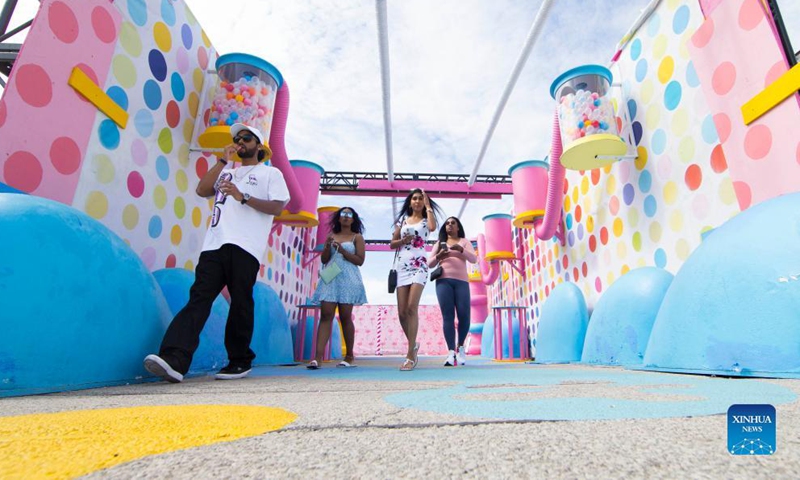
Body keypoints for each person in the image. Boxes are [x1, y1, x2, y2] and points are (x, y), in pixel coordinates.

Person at [144, 123, 290, 382]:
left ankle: (239, 360)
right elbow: (202, 190)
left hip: (245, 246)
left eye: (246, 138)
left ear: (259, 145)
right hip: (214, 245)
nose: (240, 142)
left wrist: (242, 197)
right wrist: (224, 160)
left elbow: (277, 207)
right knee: (198, 298)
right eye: (237, 138)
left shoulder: (271, 174)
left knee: (240, 302)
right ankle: (174, 359)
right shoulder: (227, 174)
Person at [306, 207, 367, 369]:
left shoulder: (357, 237)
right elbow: (325, 260)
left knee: (346, 316)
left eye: (349, 215)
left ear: (353, 219)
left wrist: (343, 251)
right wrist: (327, 247)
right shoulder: (331, 236)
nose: (346, 217)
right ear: (338, 219)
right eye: (343, 214)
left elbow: (360, 260)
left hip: (348, 278)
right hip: (331, 276)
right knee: (326, 314)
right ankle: (317, 358)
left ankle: (349, 356)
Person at [390, 188, 442, 371]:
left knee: (412, 307)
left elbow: (434, 228)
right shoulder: (402, 221)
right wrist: (404, 240)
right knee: (402, 313)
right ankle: (414, 344)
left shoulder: (427, 219)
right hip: (402, 266)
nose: (417, 201)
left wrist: (429, 207)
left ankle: (410, 355)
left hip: (419, 265)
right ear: (410, 201)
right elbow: (392, 244)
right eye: (415, 198)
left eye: (421, 199)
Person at [428, 217, 477, 366]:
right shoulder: (439, 243)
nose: (449, 225)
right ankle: (450, 353)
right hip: (443, 281)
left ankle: (460, 347)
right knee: (447, 316)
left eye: (452, 223)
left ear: (458, 227)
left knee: (464, 315)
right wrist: (439, 256)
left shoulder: (464, 241)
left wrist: (461, 250)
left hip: (461, 282)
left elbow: (474, 259)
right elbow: (429, 264)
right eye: (447, 223)